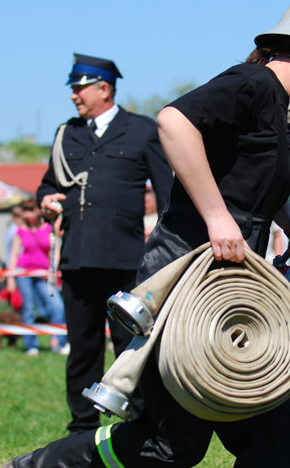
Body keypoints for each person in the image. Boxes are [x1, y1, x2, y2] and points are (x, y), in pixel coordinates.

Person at [5, 0, 290, 468]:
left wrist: (288, 220)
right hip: (184, 278)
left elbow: (249, 182)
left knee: (271, 429)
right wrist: (218, 218)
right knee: (167, 447)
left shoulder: (282, 112)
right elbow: (174, 122)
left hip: (231, 286)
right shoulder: (253, 83)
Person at [37, 53, 173, 433]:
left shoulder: (142, 130)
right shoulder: (68, 134)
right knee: (82, 347)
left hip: (125, 260)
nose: (73, 96)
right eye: (73, 89)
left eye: (79, 89)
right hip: (78, 258)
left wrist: (166, 251)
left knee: (130, 348)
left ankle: (142, 422)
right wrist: (46, 200)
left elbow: (167, 196)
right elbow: (51, 182)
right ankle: (81, 427)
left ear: (104, 89)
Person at [6, 198, 67, 356]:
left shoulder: (48, 228)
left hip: (43, 275)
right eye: (26, 210)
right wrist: (10, 278)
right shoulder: (20, 231)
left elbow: (55, 251)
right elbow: (13, 254)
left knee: (56, 306)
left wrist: (52, 271)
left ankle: (58, 342)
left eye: (31, 209)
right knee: (28, 310)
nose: (29, 213)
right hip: (23, 274)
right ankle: (31, 345)